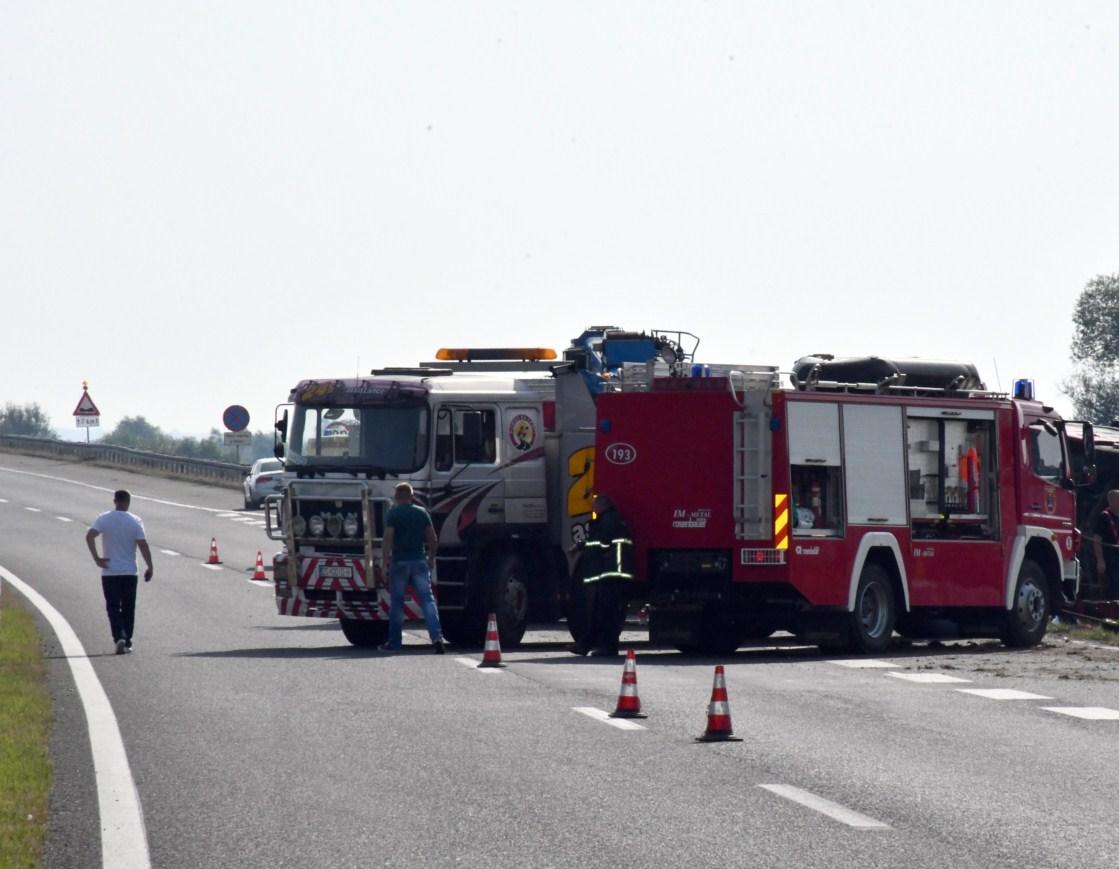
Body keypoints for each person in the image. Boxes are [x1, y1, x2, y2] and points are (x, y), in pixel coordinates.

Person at [381, 482, 447, 653]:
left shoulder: (393, 514)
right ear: (412, 496)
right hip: (419, 561)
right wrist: (431, 557)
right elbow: (433, 539)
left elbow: (388, 539)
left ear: (396, 497)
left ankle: (394, 643)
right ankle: (437, 637)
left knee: (397, 603)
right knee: (427, 600)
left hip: (400, 562)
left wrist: (384, 563)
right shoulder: (422, 513)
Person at [85, 490, 154, 654]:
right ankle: (127, 641)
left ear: (115, 501)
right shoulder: (135, 521)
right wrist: (150, 566)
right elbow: (143, 544)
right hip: (130, 572)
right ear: (128, 502)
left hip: (110, 571)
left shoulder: (104, 518)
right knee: (129, 607)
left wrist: (97, 558)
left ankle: (119, 637)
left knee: (113, 607)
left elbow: (90, 536)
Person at [569, 494, 634, 657]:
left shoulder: (608, 521)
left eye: (595, 504)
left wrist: (580, 546)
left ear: (603, 505)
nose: (592, 507)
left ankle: (608, 648)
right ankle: (586, 644)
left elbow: (602, 543)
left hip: (611, 572)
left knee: (607, 612)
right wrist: (580, 546)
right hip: (609, 572)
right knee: (600, 611)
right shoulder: (609, 519)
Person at [1092, 489, 1119, 599]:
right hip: (1110, 556)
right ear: (1112, 501)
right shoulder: (1104, 517)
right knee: (1113, 583)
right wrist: (1100, 560)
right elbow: (1097, 539)